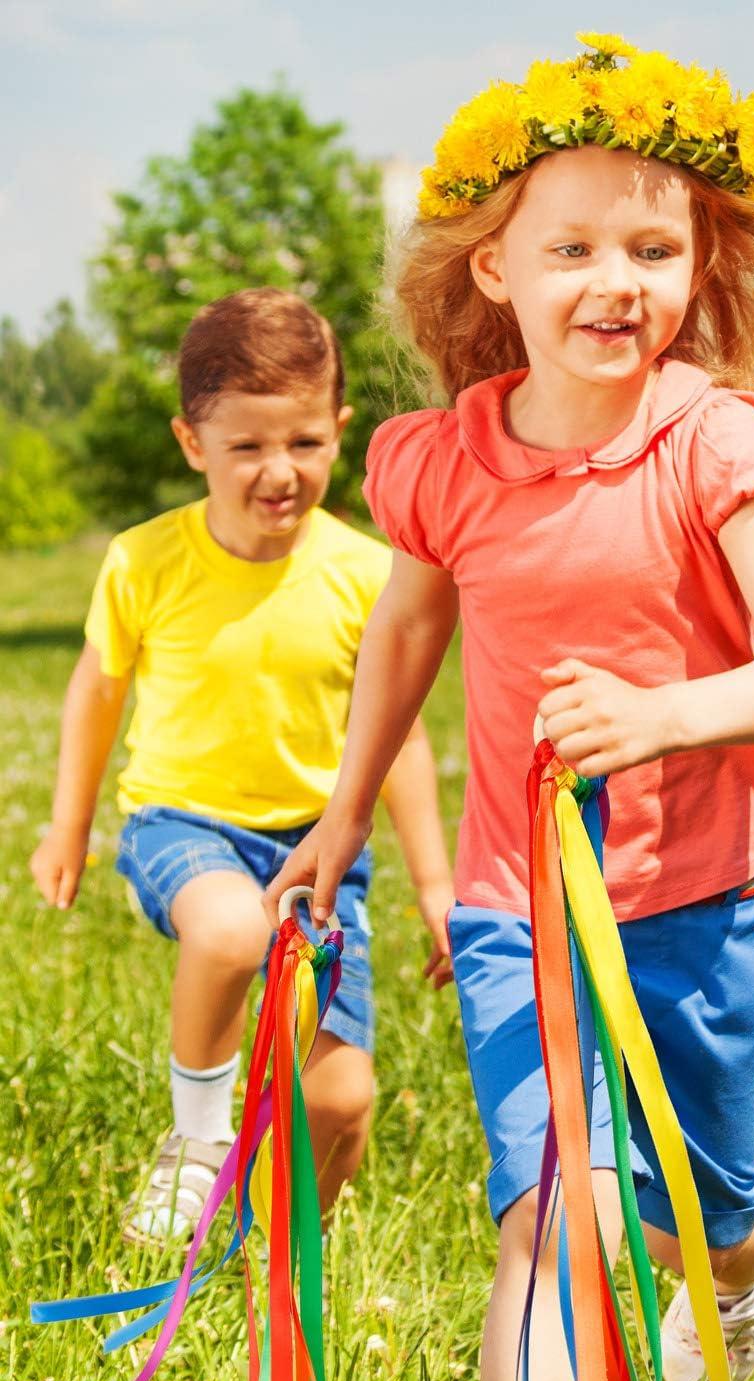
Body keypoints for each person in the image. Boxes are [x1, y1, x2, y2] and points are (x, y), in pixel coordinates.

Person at [265, 35, 754, 1381]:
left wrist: (662, 714)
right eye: (575, 245)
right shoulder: (441, 461)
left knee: (694, 1213)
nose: (618, 281)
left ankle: (744, 1250)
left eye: (654, 247)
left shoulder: (712, 445)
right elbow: (407, 631)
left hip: (708, 905)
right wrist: (343, 817)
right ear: (493, 272)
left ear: (699, 259)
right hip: (514, 909)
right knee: (555, 1205)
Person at [29, 288, 454, 1244]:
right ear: (192, 444)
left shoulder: (364, 572)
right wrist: (68, 827)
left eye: (304, 443)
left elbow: (404, 737)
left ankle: (259, 1260)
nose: (279, 472)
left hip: (321, 848)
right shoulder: (144, 561)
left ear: (341, 430)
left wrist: (435, 883)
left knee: (339, 1104)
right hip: (181, 823)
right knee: (226, 933)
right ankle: (196, 1144)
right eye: (246, 448)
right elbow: (95, 693)